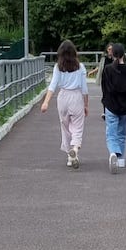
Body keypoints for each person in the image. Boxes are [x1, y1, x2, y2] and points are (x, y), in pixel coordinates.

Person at [40, 40, 89, 168]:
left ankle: (69, 156)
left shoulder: (58, 67)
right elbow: (84, 89)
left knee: (65, 127)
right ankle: (75, 150)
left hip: (62, 98)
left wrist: (46, 102)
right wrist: (86, 105)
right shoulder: (80, 67)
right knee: (77, 127)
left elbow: (52, 86)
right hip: (76, 96)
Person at [100, 42, 126, 173]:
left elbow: (104, 89)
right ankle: (121, 159)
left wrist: (104, 104)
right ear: (124, 54)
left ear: (112, 54)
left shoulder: (107, 70)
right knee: (122, 132)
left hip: (111, 105)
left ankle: (113, 153)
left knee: (111, 133)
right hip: (125, 106)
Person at [95, 43, 113, 118]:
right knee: (105, 96)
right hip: (105, 80)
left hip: (113, 80)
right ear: (107, 50)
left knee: (112, 96)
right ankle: (105, 112)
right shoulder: (103, 58)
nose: (110, 51)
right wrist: (93, 72)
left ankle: (112, 111)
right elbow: (100, 67)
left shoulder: (115, 59)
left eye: (112, 49)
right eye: (109, 49)